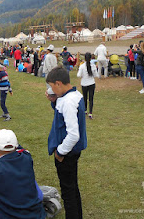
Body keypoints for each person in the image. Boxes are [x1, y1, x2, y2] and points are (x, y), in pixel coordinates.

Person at [45, 66, 87, 219]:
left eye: (51, 86)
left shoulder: (68, 102)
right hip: (71, 152)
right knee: (72, 188)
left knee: (68, 192)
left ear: (58, 83)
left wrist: (60, 152)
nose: (51, 90)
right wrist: (53, 101)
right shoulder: (73, 95)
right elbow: (62, 112)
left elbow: (73, 134)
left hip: (67, 154)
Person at [77, 52, 99, 119]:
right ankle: (90, 113)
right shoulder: (93, 66)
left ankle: (85, 110)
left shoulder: (82, 66)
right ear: (90, 58)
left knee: (85, 98)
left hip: (84, 84)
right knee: (91, 98)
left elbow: (78, 75)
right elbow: (96, 75)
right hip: (91, 83)